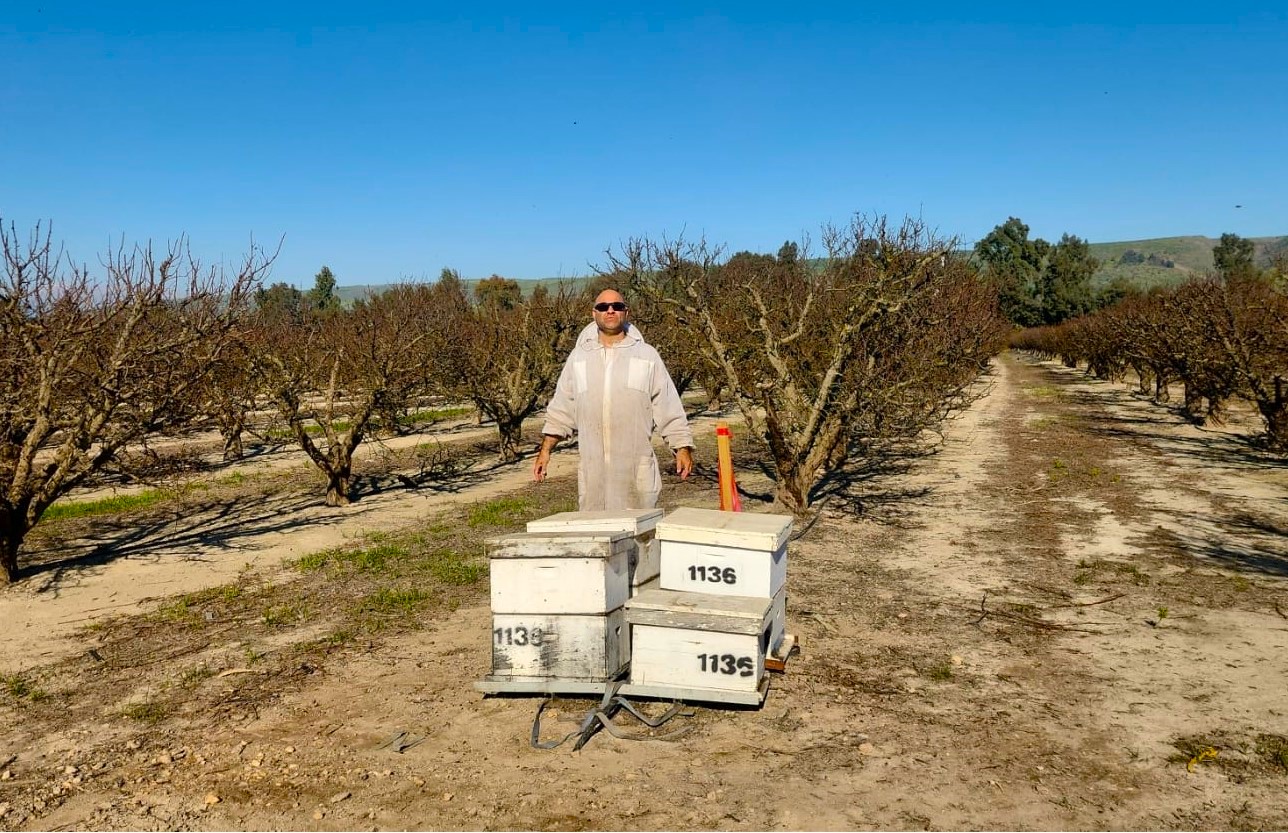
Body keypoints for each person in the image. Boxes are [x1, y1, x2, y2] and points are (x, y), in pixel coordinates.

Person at [533, 288, 694, 510]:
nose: (610, 311)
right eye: (603, 307)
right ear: (594, 313)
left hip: (635, 473)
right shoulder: (579, 358)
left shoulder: (646, 355)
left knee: (639, 538)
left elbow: (668, 405)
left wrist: (682, 447)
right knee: (597, 537)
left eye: (617, 307)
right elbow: (562, 407)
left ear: (626, 313)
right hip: (594, 476)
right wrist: (546, 450)